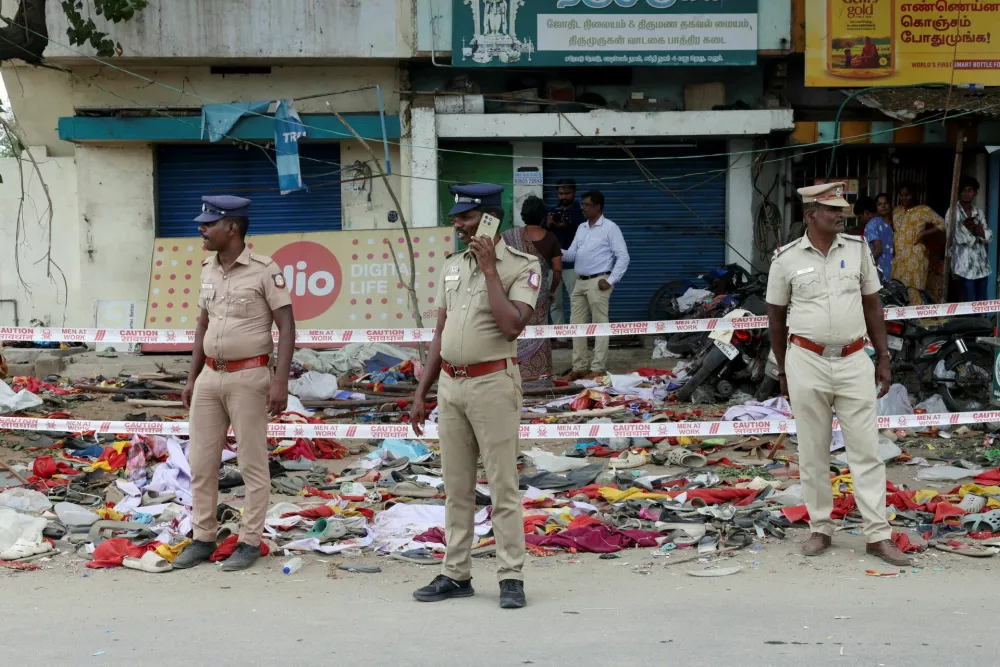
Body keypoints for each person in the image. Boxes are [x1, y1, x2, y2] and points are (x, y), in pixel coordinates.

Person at [409, 184, 540, 609]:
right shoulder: (451, 266)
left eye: (465, 218)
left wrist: (489, 271)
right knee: (457, 487)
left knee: (502, 484)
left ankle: (510, 576)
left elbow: (511, 327)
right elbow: (440, 333)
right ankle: (456, 573)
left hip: (493, 385)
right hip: (451, 387)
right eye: (456, 217)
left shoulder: (522, 266)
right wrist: (422, 391)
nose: (457, 225)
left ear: (489, 219)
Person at [766, 182, 910, 567]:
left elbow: (873, 306)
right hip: (806, 361)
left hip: (852, 360)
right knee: (812, 451)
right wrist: (783, 369)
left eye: (841, 208)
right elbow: (776, 320)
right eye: (831, 209)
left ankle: (877, 535)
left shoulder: (858, 250)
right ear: (811, 215)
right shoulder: (786, 259)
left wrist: (883, 358)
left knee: (866, 451)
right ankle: (820, 528)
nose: (840, 213)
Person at [174, 195, 296, 572]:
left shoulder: (264, 270)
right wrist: (193, 377)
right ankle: (203, 538)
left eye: (208, 224)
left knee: (251, 463)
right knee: (202, 463)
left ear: (232, 228)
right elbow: (202, 325)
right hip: (211, 376)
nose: (201, 229)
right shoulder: (207, 269)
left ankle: (248, 540)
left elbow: (287, 326)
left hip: (249, 376)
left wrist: (280, 381)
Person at [562, 190, 629, 380]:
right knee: (576, 326)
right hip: (579, 282)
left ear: (597, 207)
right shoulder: (582, 227)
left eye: (586, 205)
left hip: (599, 282)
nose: (582, 208)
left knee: (600, 325)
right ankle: (579, 367)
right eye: (582, 204)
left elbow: (623, 257)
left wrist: (610, 281)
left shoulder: (610, 228)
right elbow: (572, 254)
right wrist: (553, 247)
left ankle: (597, 368)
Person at [502, 195, 563, 379]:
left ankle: (514, 376)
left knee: (517, 330)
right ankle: (540, 377)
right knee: (539, 335)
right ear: (543, 216)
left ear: (523, 215)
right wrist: (551, 290)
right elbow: (558, 270)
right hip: (539, 294)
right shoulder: (550, 238)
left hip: (515, 295)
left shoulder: (509, 237)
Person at [545, 179, 586, 348]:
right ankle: (561, 339)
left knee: (577, 302)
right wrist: (546, 225)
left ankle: (579, 338)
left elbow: (583, 233)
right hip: (552, 265)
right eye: (561, 193)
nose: (564, 197)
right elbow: (541, 234)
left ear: (574, 193)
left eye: (567, 193)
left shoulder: (581, 211)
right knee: (555, 303)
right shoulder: (551, 211)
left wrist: (567, 226)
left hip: (573, 265)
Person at [891, 183, 944, 302]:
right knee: (899, 288)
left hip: (914, 256)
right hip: (899, 257)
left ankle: (916, 318)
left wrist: (923, 234)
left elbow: (943, 224)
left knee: (914, 288)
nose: (904, 198)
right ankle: (902, 319)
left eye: (907, 195)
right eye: (902, 195)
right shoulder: (896, 211)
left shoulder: (923, 210)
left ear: (914, 195)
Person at [946, 176, 992, 302]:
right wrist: (979, 232)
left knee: (981, 302)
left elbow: (989, 236)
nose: (967, 193)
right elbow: (962, 238)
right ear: (959, 192)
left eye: (970, 190)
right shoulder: (952, 212)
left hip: (982, 266)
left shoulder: (979, 212)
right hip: (964, 267)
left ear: (975, 193)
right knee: (967, 303)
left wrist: (979, 231)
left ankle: (980, 321)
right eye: (964, 190)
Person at [857, 195, 893, 282]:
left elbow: (878, 249)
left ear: (866, 212)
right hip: (890, 270)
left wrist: (863, 265)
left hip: (878, 272)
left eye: (859, 217)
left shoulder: (870, 225)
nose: (859, 220)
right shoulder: (886, 223)